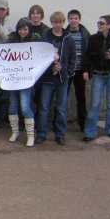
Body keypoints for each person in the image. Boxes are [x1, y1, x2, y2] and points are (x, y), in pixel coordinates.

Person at [83, 15, 110, 142]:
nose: (99, 25)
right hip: (98, 74)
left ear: (109, 25)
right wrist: (86, 70)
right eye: (98, 23)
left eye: (102, 23)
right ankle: (89, 132)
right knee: (94, 104)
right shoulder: (93, 39)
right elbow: (87, 56)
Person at [36, 12, 76, 145]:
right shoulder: (45, 38)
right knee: (44, 107)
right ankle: (41, 133)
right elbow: (40, 57)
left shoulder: (68, 38)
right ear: (51, 23)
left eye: (60, 22)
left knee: (61, 108)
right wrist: (50, 68)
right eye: (55, 22)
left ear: (63, 23)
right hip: (47, 78)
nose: (58, 25)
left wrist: (67, 72)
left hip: (62, 78)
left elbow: (72, 57)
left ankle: (60, 134)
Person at [6, 18, 38, 147]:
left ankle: (30, 135)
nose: (23, 32)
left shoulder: (35, 40)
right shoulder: (12, 39)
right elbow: (4, 54)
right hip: (13, 78)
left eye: (25, 29)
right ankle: (15, 132)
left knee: (25, 107)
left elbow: (40, 54)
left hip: (26, 79)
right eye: (20, 29)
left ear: (29, 29)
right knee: (12, 106)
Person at [65, 9, 90, 132]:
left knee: (81, 98)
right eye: (71, 18)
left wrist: (86, 69)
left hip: (80, 70)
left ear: (79, 20)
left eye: (76, 18)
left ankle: (83, 124)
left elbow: (88, 54)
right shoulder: (65, 33)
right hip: (67, 70)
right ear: (68, 20)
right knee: (63, 97)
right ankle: (59, 124)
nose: (73, 21)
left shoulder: (85, 34)